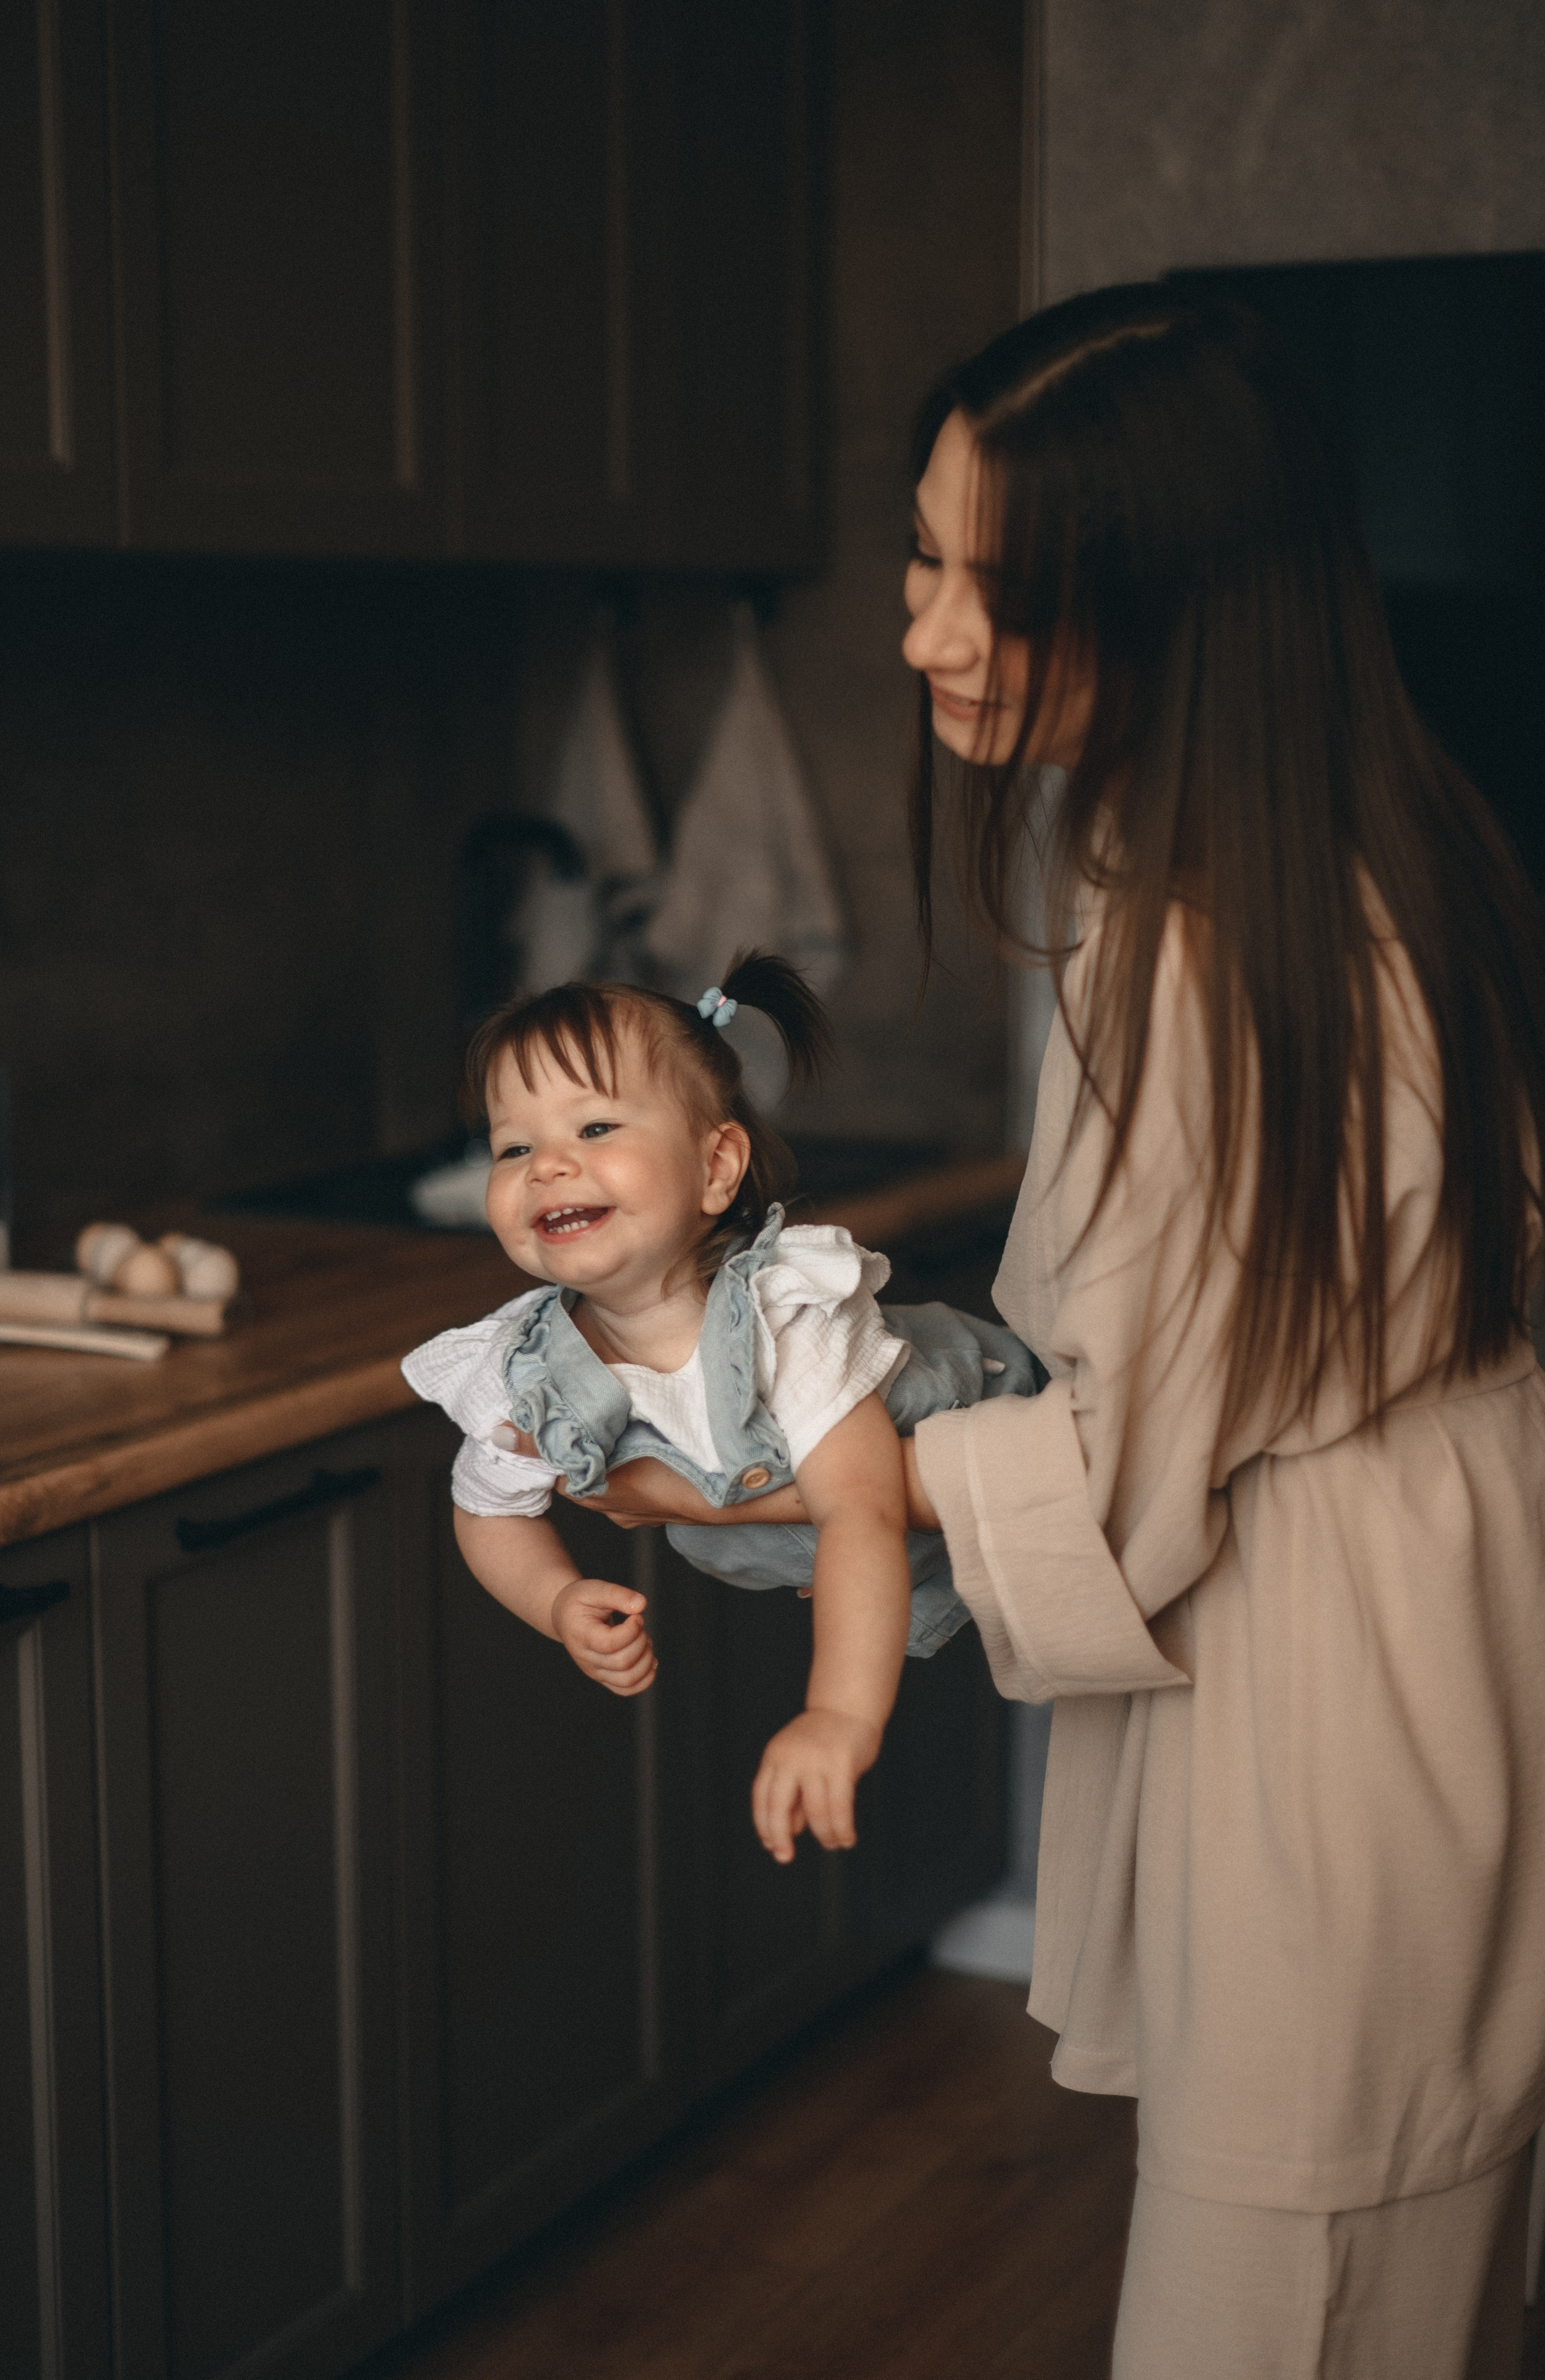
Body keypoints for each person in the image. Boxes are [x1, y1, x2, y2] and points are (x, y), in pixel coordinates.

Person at [564, 286, 1545, 2378]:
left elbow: (1129, 1464)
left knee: (1295, 2297)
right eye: (923, 552)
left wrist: (737, 1471)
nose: (924, 625)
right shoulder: (1294, 851)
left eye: (994, 584)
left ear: (1186, 604)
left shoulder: (1221, 944)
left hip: (1344, 1702)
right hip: (1405, 1627)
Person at [401, 952, 1042, 1867]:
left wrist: (837, 1716)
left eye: (594, 1125)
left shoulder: (787, 1315)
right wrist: (557, 1597)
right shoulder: (524, 1369)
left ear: (716, 1168)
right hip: (915, 1557)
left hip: (1018, 1442)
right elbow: (487, 1507)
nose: (549, 1166)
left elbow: (859, 1509)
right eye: (514, 1147)